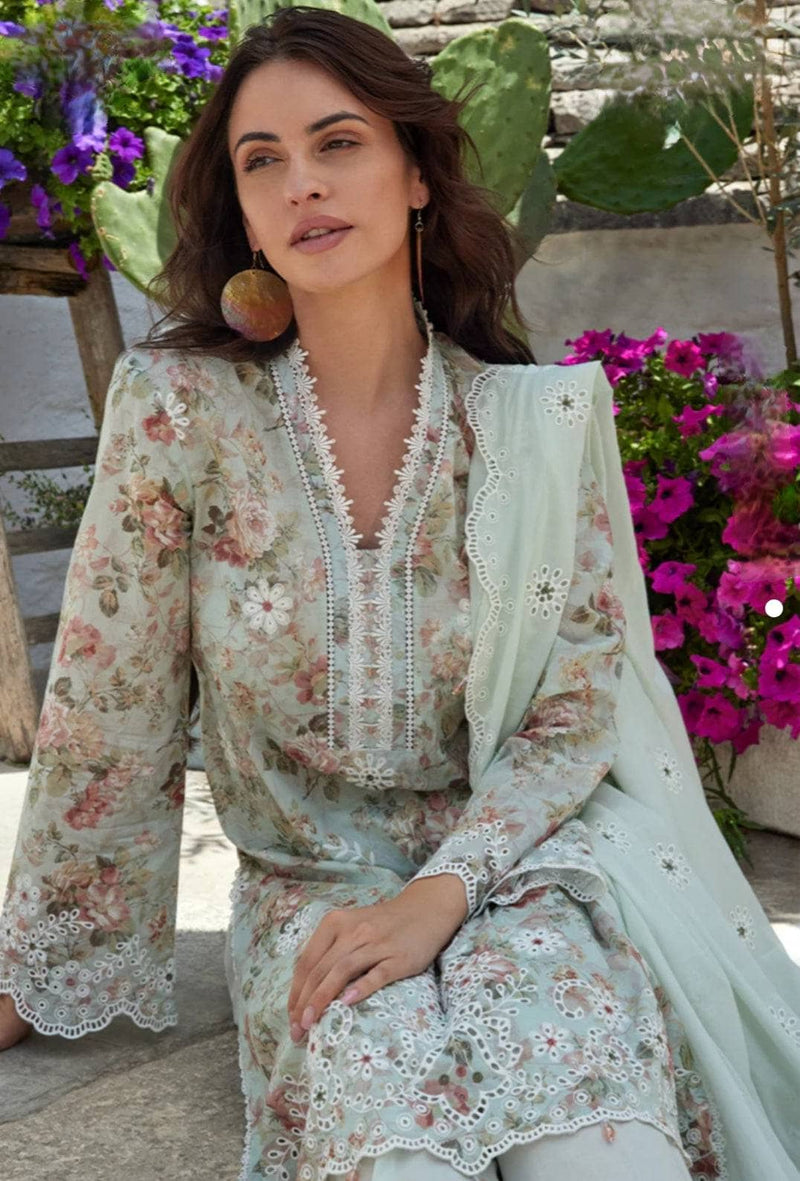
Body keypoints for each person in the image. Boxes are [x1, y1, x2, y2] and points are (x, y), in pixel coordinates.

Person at [1, 7, 799, 1181]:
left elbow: (570, 705)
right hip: (311, 899)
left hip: (515, 871)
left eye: (337, 143)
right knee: (399, 1151)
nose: (301, 185)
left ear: (416, 172)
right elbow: (108, 704)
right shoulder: (180, 411)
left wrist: (444, 890)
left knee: (600, 1146)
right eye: (261, 161)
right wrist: (39, 960)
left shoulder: (523, 425)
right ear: (243, 212)